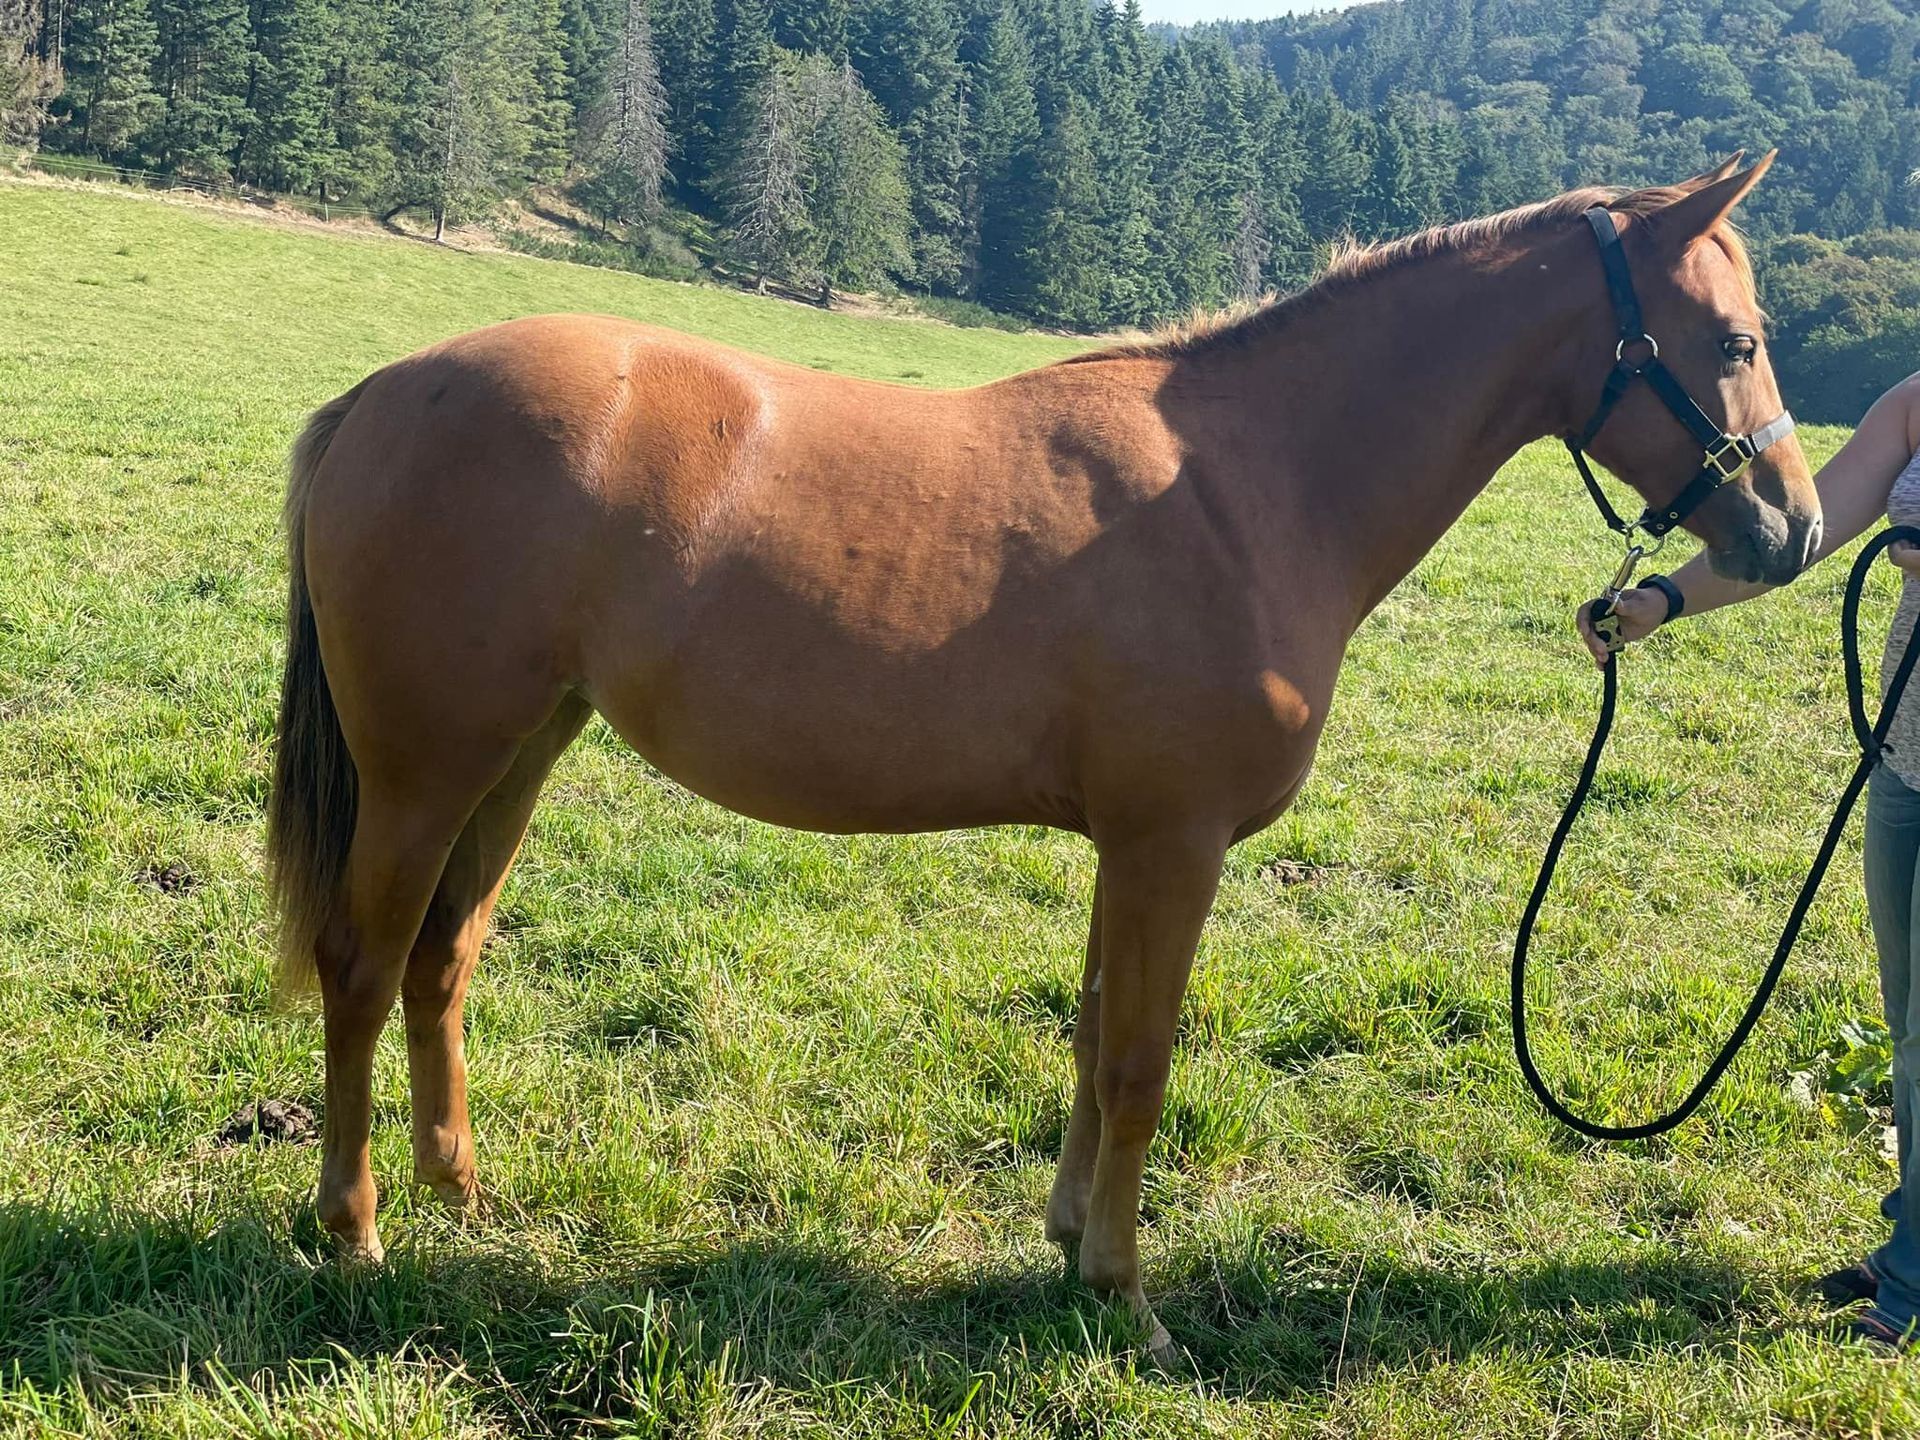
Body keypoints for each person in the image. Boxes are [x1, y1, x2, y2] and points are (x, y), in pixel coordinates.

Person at [1578, 374, 1920, 1349]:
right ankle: (1915, 1232)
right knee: (1908, 1027)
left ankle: (1914, 1276)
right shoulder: (1912, 404)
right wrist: (1663, 598)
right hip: (1907, 756)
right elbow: (1800, 535)